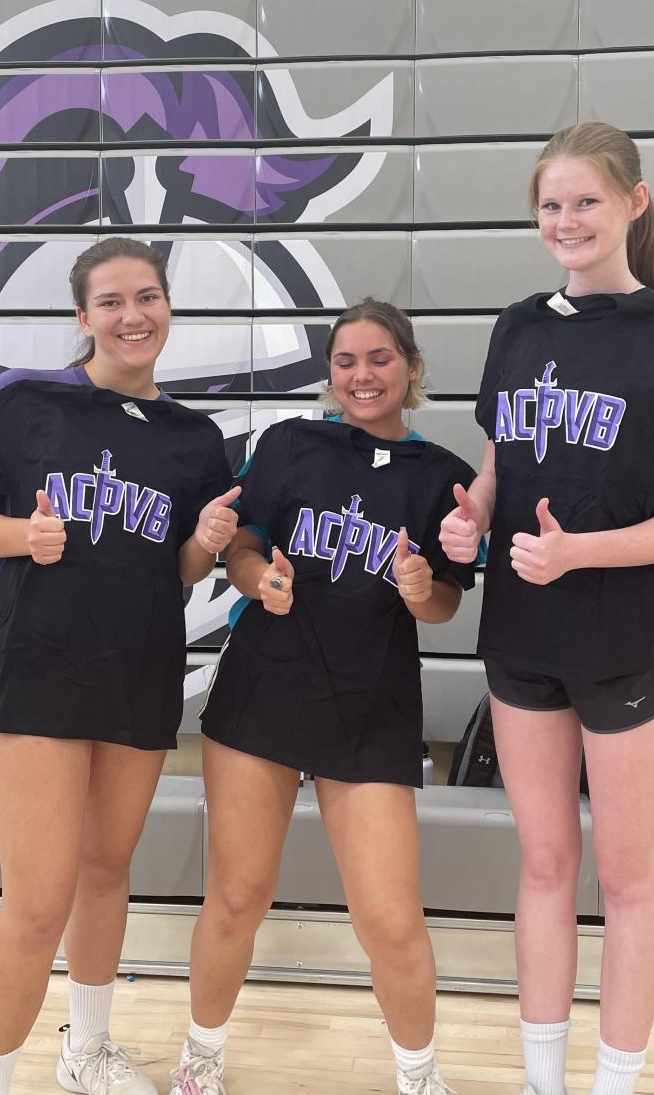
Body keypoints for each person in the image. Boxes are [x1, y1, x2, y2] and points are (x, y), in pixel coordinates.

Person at [440, 122, 654, 1095]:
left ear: (634, 203)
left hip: (628, 640)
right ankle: (544, 1082)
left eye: (585, 201)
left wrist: (576, 552)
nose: (565, 220)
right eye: (550, 204)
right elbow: (497, 466)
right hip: (521, 637)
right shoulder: (518, 327)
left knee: (627, 875)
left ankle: (614, 1084)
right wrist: (470, 521)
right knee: (542, 866)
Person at [0, 237, 241, 1095]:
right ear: (83, 316)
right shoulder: (24, 400)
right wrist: (22, 536)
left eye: (147, 297)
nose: (132, 315)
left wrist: (204, 541)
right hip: (36, 669)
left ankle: (87, 1051)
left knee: (107, 872)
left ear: (168, 307)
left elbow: (176, 570)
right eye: (111, 301)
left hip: (140, 671)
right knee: (37, 903)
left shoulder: (194, 438)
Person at [170, 299, 477, 1095]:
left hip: (371, 702)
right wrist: (258, 581)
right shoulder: (288, 444)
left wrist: (421, 589)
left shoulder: (443, 476)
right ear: (330, 374)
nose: (361, 375)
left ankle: (420, 1076)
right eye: (346, 361)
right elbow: (241, 547)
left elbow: (445, 601)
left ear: (411, 368)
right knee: (237, 896)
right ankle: (200, 1057)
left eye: (379, 359)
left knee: (390, 918)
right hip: (264, 689)